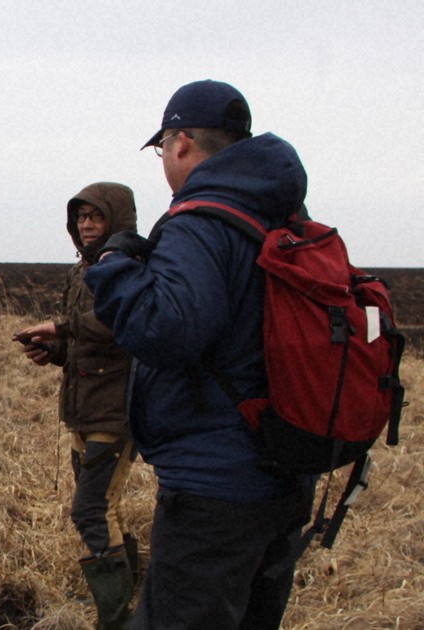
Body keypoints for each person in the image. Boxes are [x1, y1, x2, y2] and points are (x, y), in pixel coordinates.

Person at [84, 80, 315, 629]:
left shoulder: (202, 221)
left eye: (162, 147)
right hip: (285, 471)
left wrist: (114, 266)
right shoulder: (282, 216)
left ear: (181, 142)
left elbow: (167, 332)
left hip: (215, 487)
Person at [14, 182, 139, 629]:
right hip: (82, 409)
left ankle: (117, 618)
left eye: (96, 216)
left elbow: (119, 325)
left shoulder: (129, 268)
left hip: (114, 411)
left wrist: (61, 327)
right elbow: (83, 347)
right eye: (81, 216)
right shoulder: (80, 272)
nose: (86, 224)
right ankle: (124, 596)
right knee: (107, 507)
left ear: (116, 219)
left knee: (90, 510)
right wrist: (54, 352)